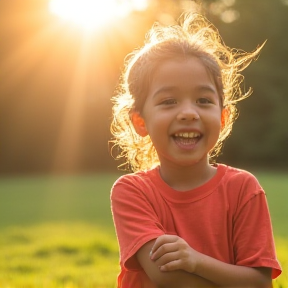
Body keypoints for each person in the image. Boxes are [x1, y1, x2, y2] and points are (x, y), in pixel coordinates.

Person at [110, 10, 282, 288]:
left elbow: (260, 283)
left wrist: (195, 260)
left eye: (203, 100)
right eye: (168, 101)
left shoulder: (244, 189)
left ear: (223, 117)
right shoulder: (132, 191)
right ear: (140, 122)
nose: (188, 113)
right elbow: (165, 275)